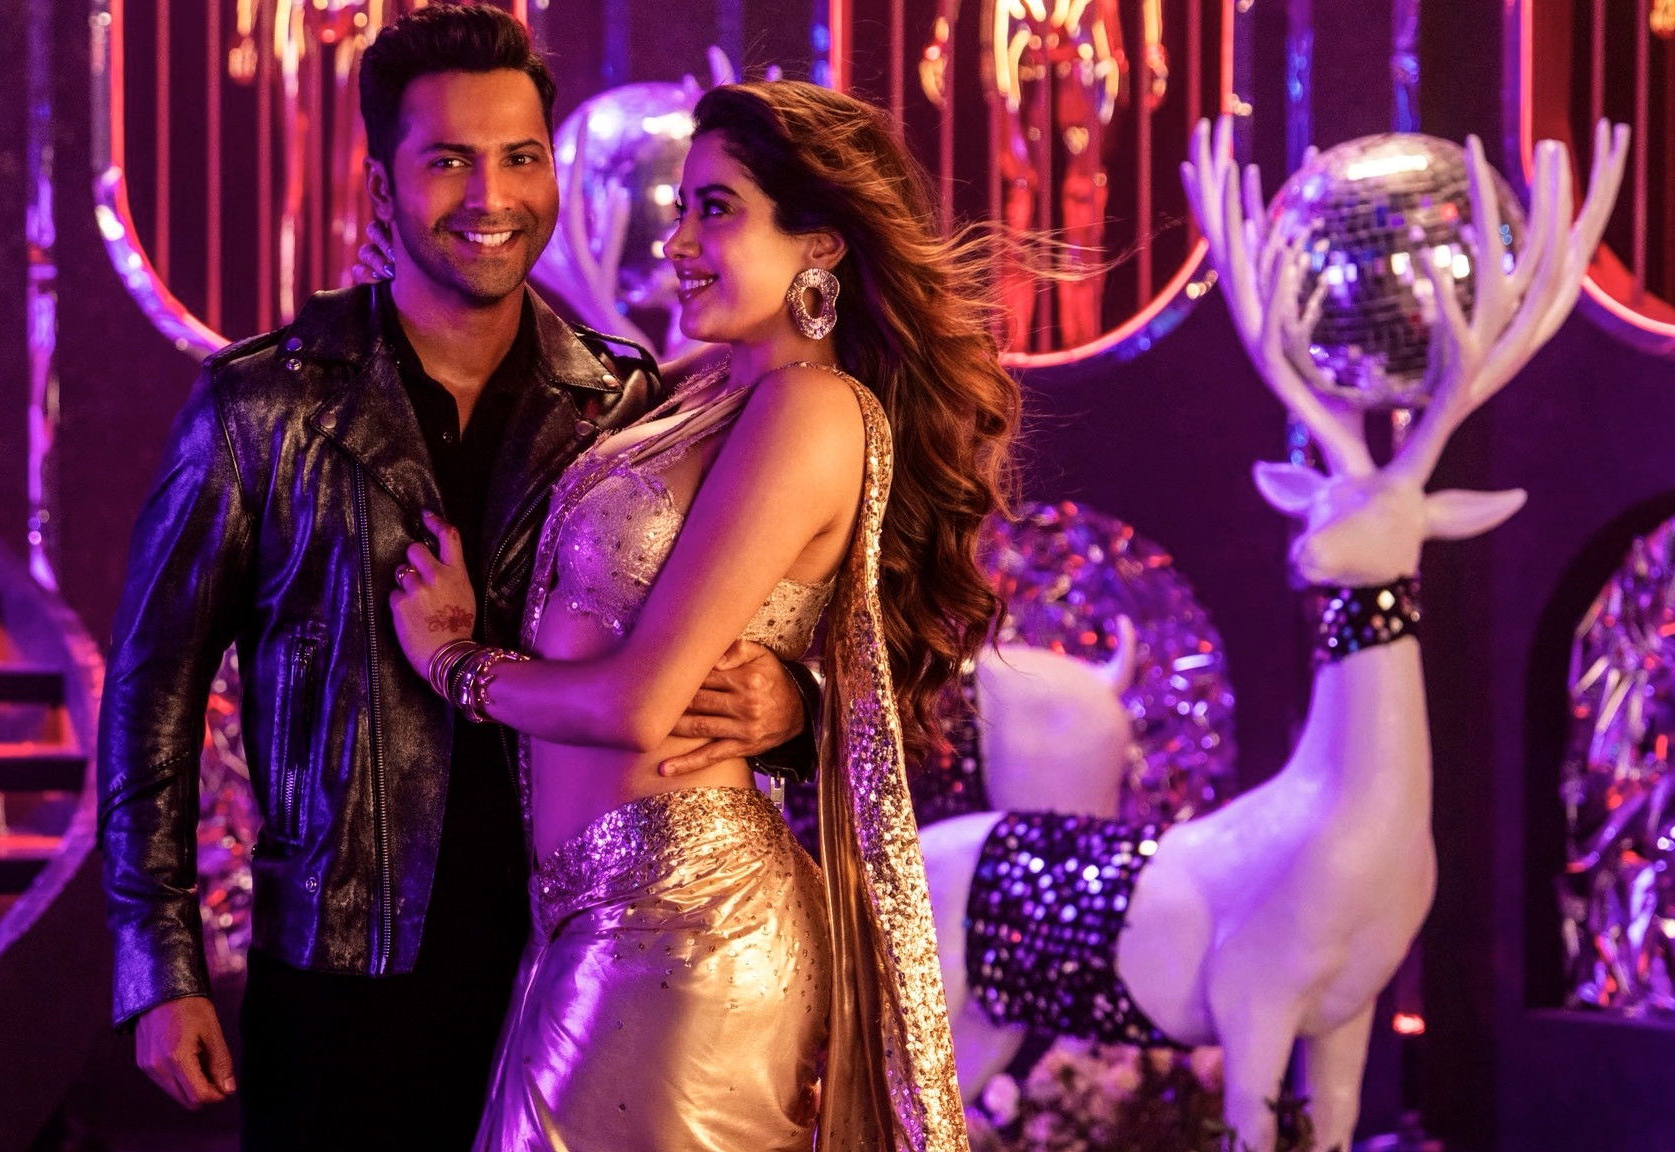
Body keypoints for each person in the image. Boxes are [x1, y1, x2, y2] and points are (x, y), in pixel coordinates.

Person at [95, 8, 816, 1149]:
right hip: (340, 972)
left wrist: (792, 706)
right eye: (448, 161)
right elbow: (152, 697)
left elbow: (746, 615)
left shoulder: (629, 406)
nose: (492, 196)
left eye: (520, 157)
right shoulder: (260, 406)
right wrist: (159, 962)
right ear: (382, 189)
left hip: (579, 956)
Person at [387, 80, 1023, 1150]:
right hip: (600, 927)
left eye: (716, 210)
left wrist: (453, 659)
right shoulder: (706, 390)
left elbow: (637, 705)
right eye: (681, 207)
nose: (676, 241)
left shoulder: (811, 409)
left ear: (819, 244)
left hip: (686, 931)